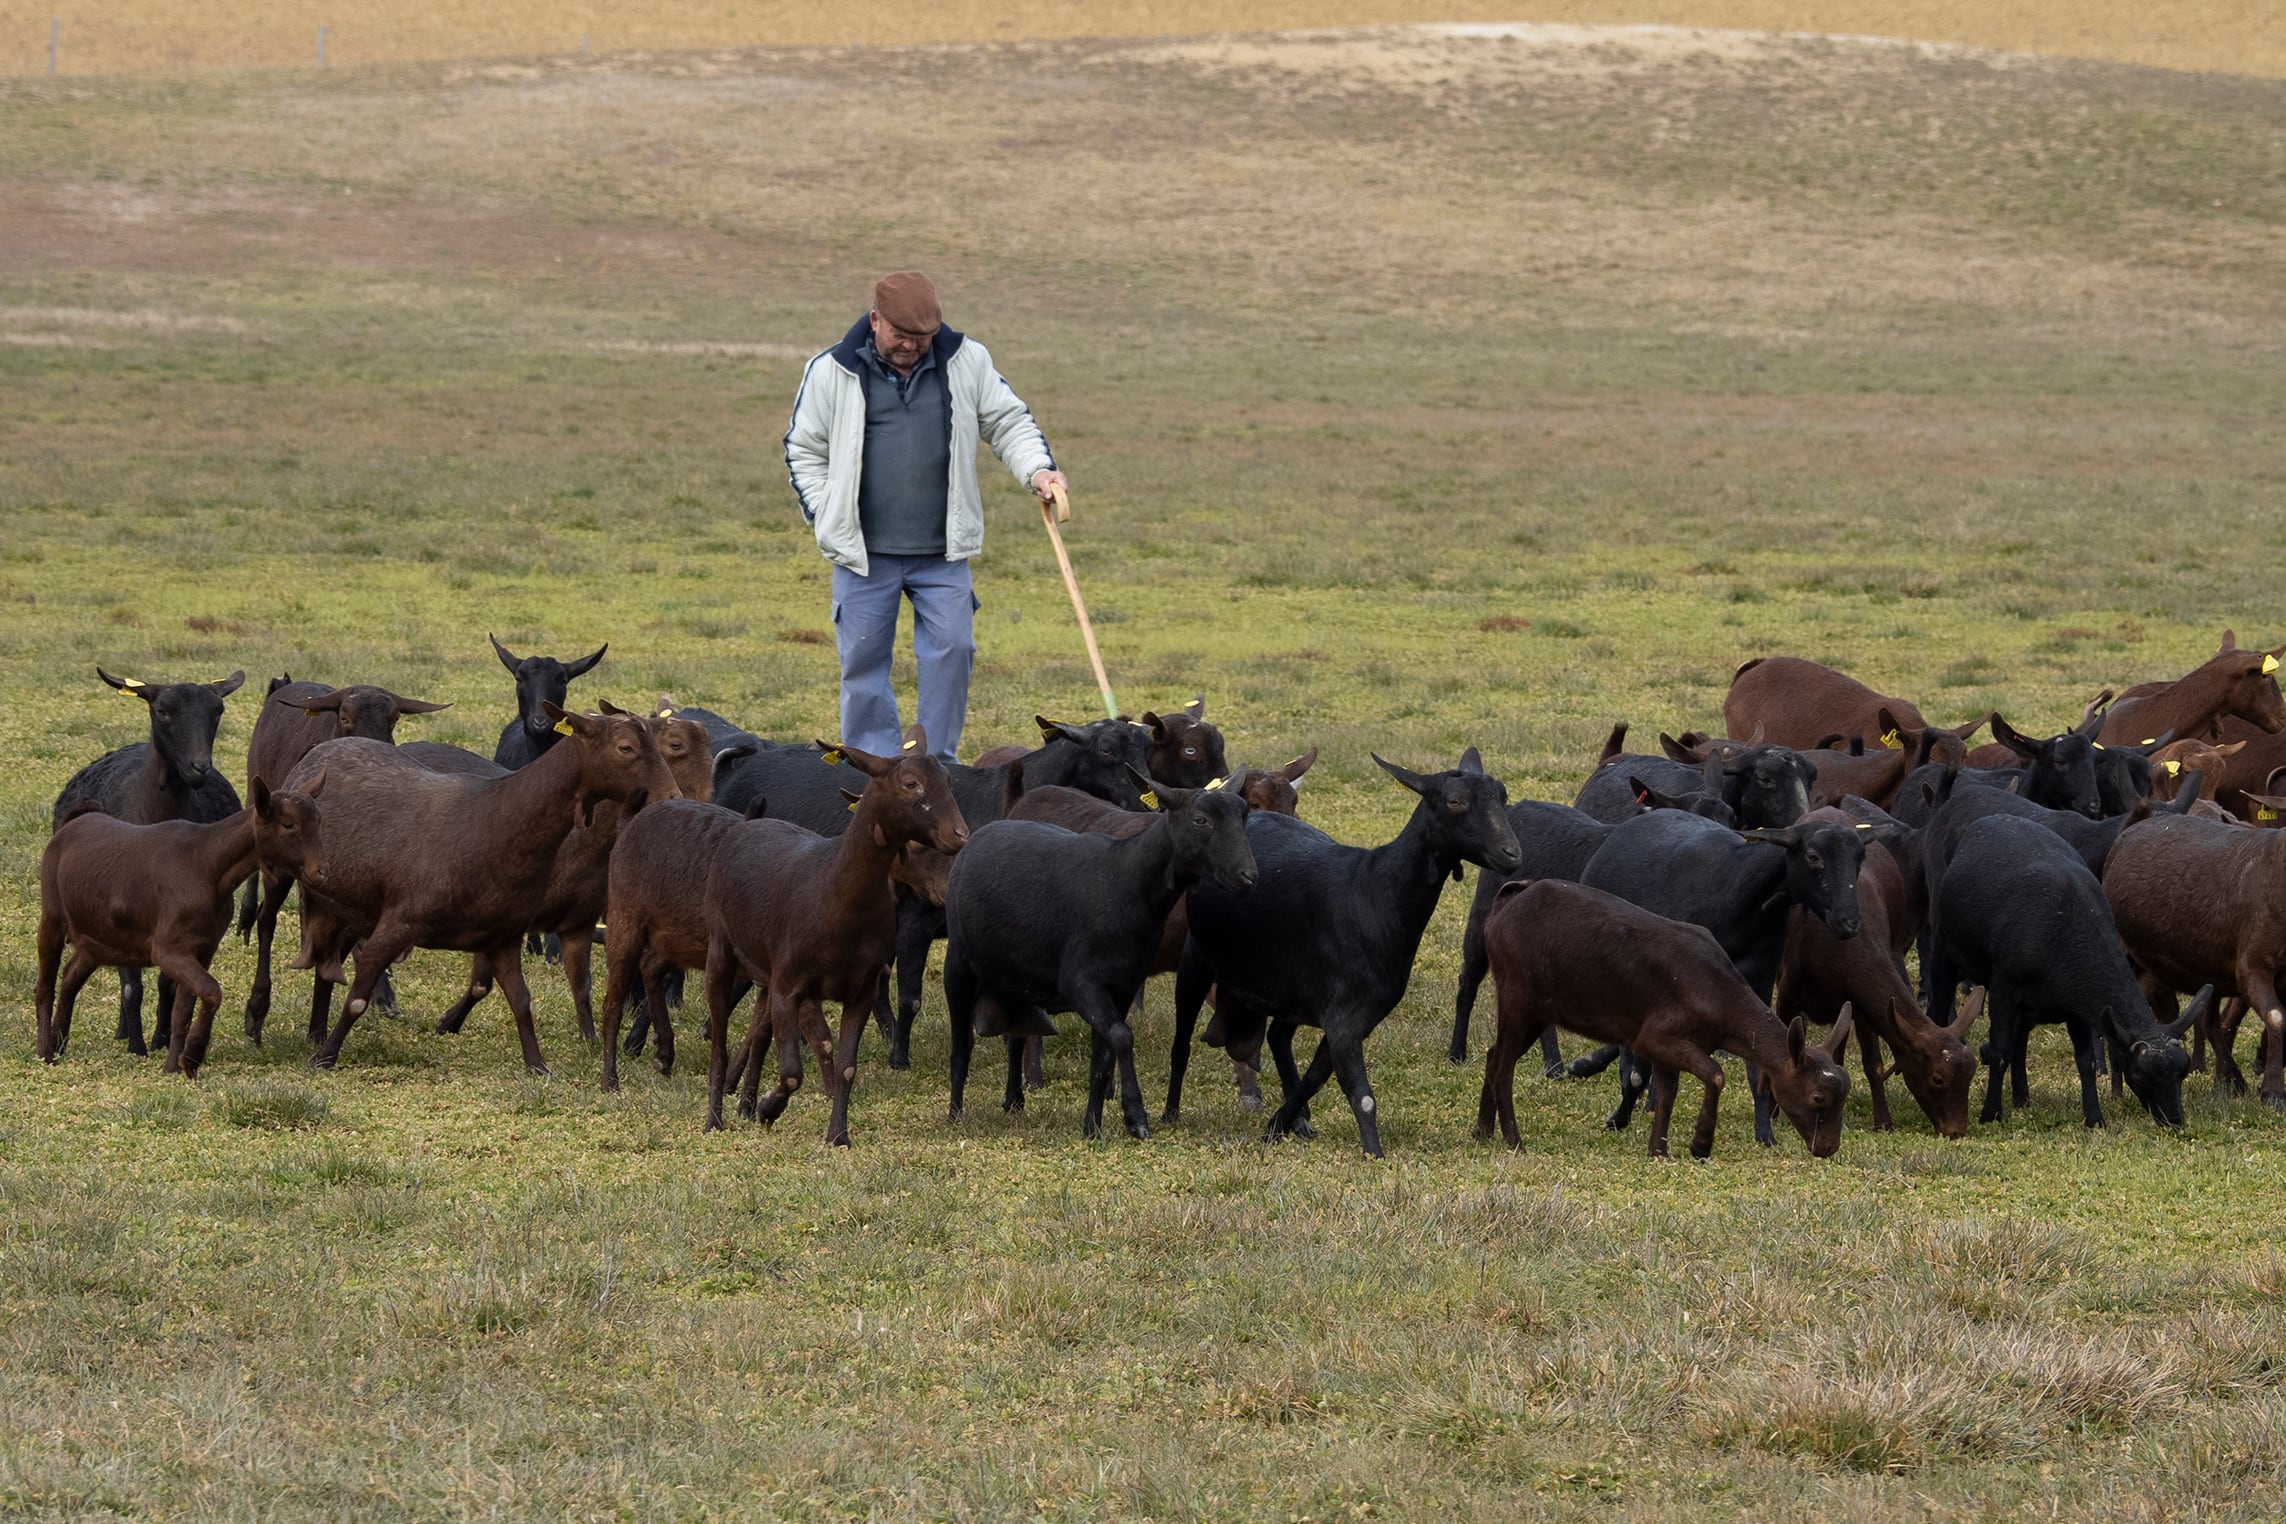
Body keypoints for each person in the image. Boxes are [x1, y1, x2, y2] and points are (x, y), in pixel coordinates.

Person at [784, 271, 1067, 762]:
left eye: (921, 339)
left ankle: (936, 766)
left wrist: (1039, 471)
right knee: (863, 664)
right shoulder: (831, 370)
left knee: (953, 652)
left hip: (942, 552)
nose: (911, 347)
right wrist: (826, 514)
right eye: (900, 335)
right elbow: (803, 451)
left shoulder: (967, 361)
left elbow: (1007, 421)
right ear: (875, 321)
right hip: (863, 553)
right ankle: (875, 767)